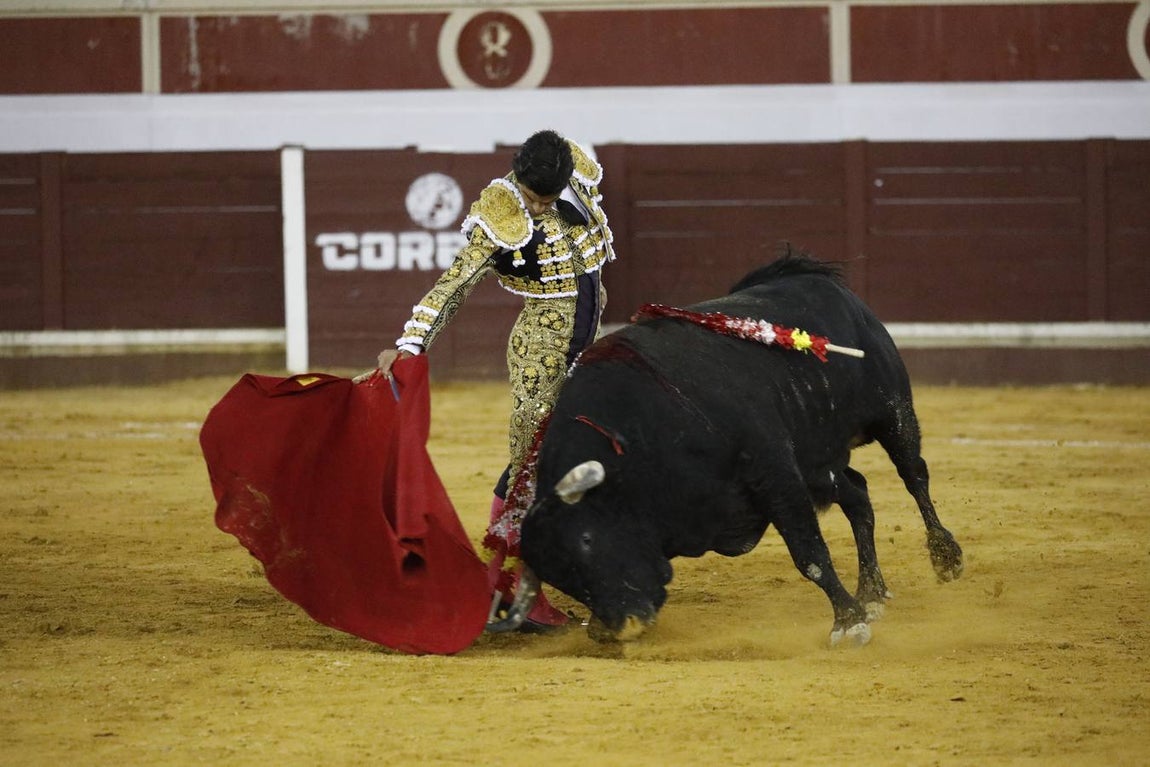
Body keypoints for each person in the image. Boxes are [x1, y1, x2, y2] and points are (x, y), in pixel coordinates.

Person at [364, 129, 615, 629]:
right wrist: (411, 344)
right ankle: (509, 584)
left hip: (585, 343)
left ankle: (534, 572)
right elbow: (453, 285)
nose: (537, 208)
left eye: (546, 199)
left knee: (571, 451)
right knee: (532, 460)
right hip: (541, 350)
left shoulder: (575, 172)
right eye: (531, 197)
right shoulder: (501, 212)